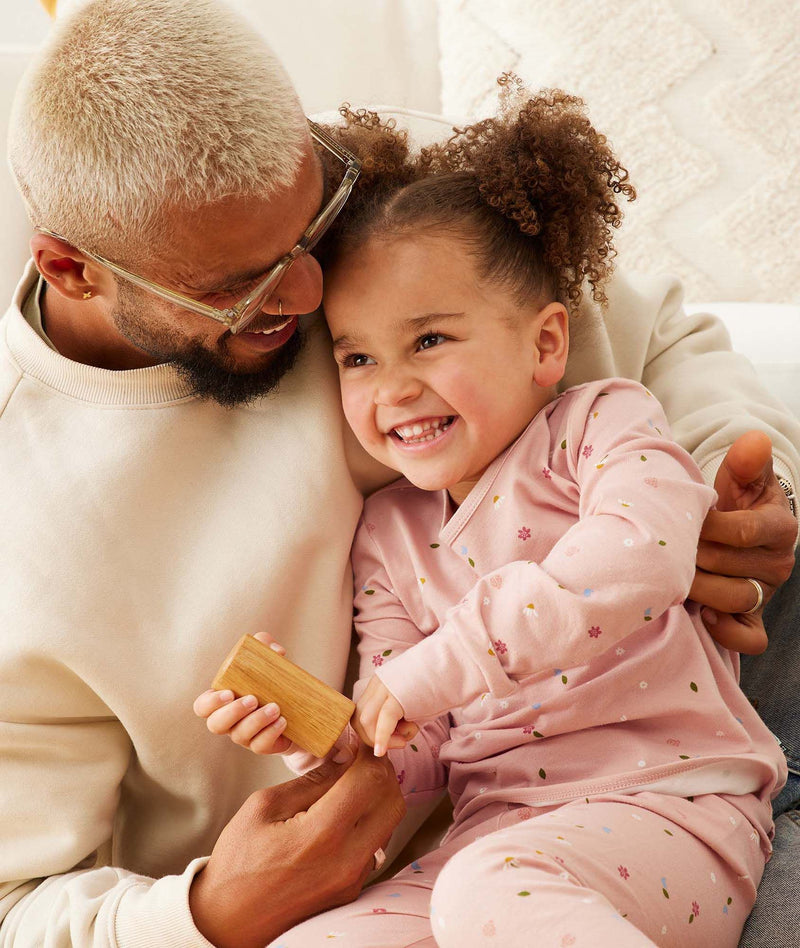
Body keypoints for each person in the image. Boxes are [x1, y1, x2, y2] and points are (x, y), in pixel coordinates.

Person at [0, 0, 797, 946]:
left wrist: (739, 479)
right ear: (70, 268)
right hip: (464, 836)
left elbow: (653, 332)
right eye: (238, 285)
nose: (310, 293)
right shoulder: (28, 520)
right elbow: (19, 902)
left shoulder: (347, 196)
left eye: (312, 226)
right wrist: (212, 907)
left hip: (697, 745)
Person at [195, 88, 788, 947]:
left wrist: (441, 664)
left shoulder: (601, 427)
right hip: (496, 839)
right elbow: (422, 754)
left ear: (546, 344)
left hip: (671, 804)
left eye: (429, 340)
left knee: (490, 892)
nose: (392, 386)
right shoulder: (388, 534)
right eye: (358, 356)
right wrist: (322, 737)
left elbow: (640, 560)